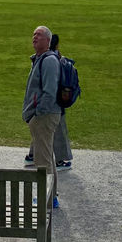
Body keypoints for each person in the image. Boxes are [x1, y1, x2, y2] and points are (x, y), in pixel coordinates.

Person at [22, 26, 61, 208]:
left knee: (43, 160)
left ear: (48, 40)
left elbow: (50, 91)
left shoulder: (49, 61)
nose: (34, 37)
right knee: (46, 156)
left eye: (38, 35)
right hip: (41, 115)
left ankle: (46, 199)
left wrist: (38, 114)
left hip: (44, 116)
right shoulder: (41, 59)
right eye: (33, 34)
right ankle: (50, 196)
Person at [25, 34, 73, 171]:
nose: (34, 38)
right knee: (45, 157)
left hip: (45, 110)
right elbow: (49, 91)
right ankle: (57, 163)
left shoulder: (45, 59)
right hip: (50, 109)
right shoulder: (51, 59)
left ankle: (48, 191)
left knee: (43, 150)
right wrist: (39, 112)